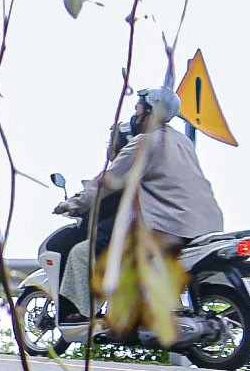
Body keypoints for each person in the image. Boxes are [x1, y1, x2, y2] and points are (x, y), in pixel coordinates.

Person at [54, 87, 223, 324]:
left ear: (149, 111)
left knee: (89, 251)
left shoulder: (145, 142)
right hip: (205, 225)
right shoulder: (182, 142)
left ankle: (83, 313)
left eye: (138, 109)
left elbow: (106, 181)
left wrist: (75, 203)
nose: (135, 115)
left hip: (167, 224)